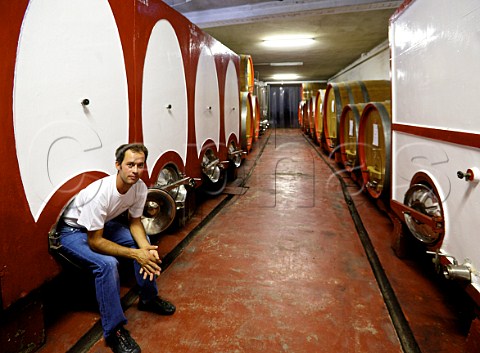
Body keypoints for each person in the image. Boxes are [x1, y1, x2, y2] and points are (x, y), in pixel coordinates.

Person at [57, 143, 175, 353]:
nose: (135, 170)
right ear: (118, 165)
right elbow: (95, 242)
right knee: (107, 264)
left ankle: (148, 298)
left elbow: (135, 222)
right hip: (74, 231)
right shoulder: (101, 193)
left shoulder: (139, 187)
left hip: (102, 225)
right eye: (130, 165)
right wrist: (135, 254)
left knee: (144, 244)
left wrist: (146, 249)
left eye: (140, 165)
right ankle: (115, 332)